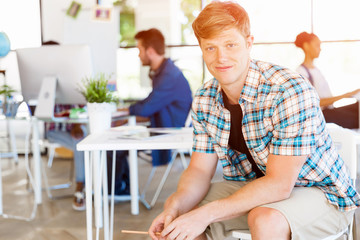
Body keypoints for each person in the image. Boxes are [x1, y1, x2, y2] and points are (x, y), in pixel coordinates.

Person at [148, 2, 360, 240]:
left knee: (264, 218)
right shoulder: (205, 99)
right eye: (210, 48)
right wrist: (174, 208)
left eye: (231, 44)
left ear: (249, 43)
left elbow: (280, 184)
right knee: (180, 214)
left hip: (321, 193)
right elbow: (198, 170)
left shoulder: (288, 90)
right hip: (256, 188)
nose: (221, 57)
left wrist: (206, 215)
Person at [118, 28, 193, 166]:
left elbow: (148, 107)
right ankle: (122, 187)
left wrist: (125, 112)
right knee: (118, 142)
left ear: (150, 51)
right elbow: (151, 101)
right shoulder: (164, 71)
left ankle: (121, 187)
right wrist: (125, 114)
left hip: (173, 131)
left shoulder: (169, 75)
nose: (138, 55)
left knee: (117, 146)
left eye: (140, 50)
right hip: (165, 125)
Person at [295, 32, 360, 129]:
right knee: (356, 118)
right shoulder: (302, 72)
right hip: (322, 115)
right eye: (317, 45)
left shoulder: (316, 70)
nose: (320, 49)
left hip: (330, 110)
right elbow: (316, 103)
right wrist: (347, 94)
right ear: (306, 46)